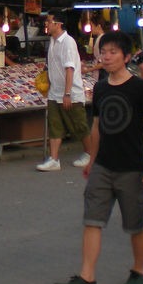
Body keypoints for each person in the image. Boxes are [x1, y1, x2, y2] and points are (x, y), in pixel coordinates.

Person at [52, 31, 143, 284]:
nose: (106, 57)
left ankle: (138, 270)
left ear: (127, 56)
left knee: (135, 225)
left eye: (112, 52)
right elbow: (97, 126)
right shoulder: (100, 87)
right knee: (92, 221)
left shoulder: (141, 88)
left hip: (133, 168)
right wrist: (93, 157)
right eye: (103, 52)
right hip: (103, 166)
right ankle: (87, 278)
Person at [36, 10, 93, 171]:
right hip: (55, 92)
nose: (46, 24)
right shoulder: (52, 42)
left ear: (58, 24)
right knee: (55, 125)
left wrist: (67, 93)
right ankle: (54, 159)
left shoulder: (68, 42)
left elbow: (70, 69)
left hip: (71, 93)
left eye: (49, 21)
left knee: (79, 125)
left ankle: (89, 154)